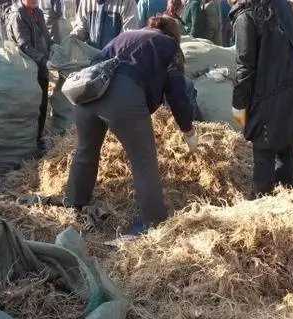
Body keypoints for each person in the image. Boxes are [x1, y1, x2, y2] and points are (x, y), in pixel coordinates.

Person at [64, 15, 196, 231]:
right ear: (174, 35)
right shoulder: (169, 45)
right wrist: (187, 129)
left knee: (86, 151)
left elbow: (97, 61)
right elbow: (177, 93)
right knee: (143, 160)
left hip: (87, 92)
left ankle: (74, 203)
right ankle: (153, 223)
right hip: (123, 96)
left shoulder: (128, 35)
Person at [231, 0, 293, 196]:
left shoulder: (247, 17)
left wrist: (239, 104)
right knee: (285, 148)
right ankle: (286, 200)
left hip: (266, 97)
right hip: (292, 90)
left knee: (264, 152)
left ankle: (264, 209)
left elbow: (245, 66)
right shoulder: (286, 8)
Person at [8, 0, 53, 150]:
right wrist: (43, 60)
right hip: (26, 70)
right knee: (30, 106)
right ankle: (27, 143)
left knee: (43, 104)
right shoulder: (17, 15)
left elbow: (46, 37)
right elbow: (24, 45)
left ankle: (38, 139)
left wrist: (54, 49)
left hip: (41, 68)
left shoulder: (38, 12)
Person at [71, 0, 138, 49]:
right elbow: (82, 27)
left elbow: (129, 35)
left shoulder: (127, 2)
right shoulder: (86, 2)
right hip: (92, 58)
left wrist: (111, 52)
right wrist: (73, 37)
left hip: (117, 59)